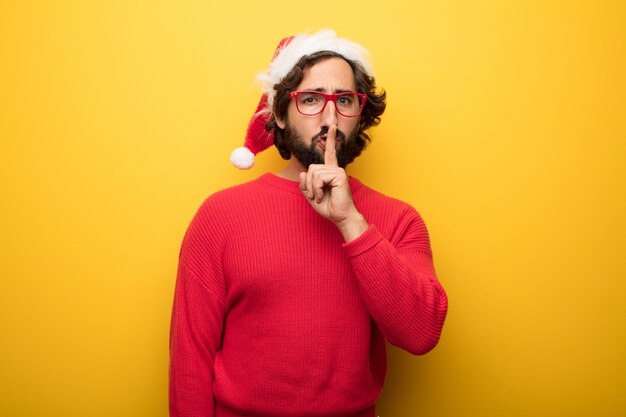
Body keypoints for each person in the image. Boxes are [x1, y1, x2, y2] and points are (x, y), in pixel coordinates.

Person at [169, 29, 448, 417]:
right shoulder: (220, 216)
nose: (330, 117)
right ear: (280, 115)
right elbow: (190, 359)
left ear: (361, 114)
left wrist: (350, 221)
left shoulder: (399, 220)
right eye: (312, 99)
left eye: (345, 100)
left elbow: (420, 334)